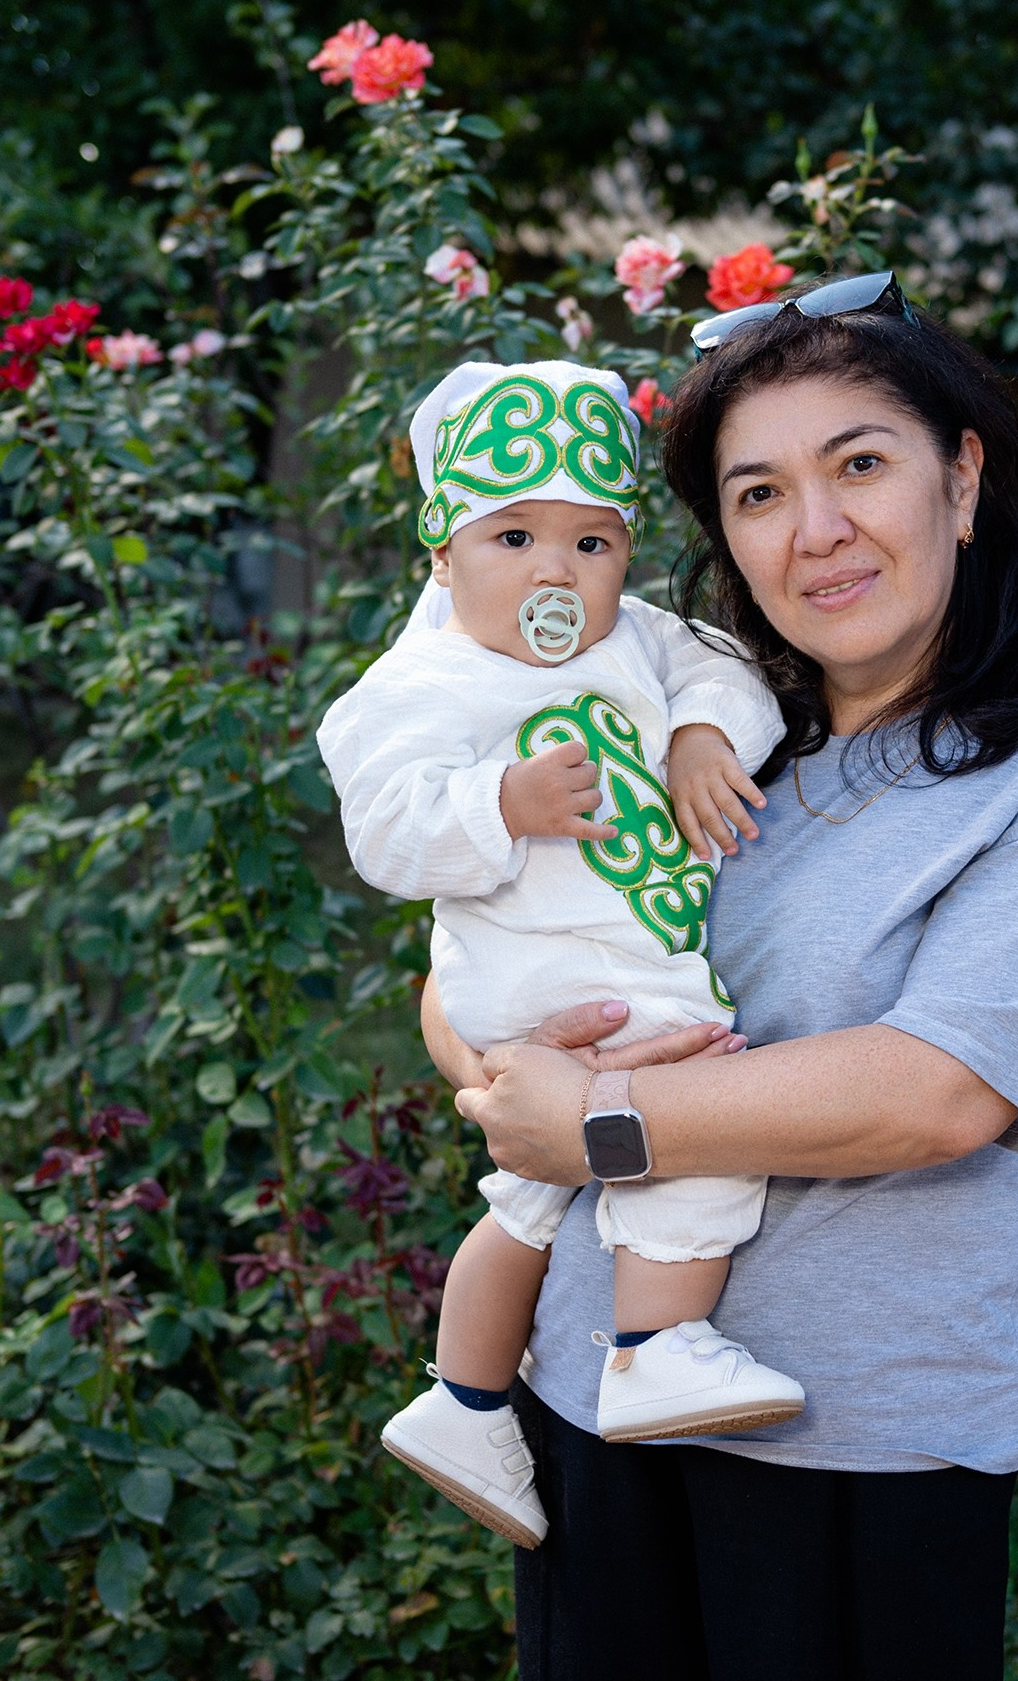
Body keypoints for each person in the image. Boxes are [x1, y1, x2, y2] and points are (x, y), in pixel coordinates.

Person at [422, 277, 1018, 1679]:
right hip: (591, 1393)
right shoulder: (684, 726)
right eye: (758, 493)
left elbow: (938, 1092)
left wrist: (592, 1116)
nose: (815, 530)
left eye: (860, 464)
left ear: (962, 472)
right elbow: (464, 968)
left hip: (861, 1435)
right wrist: (502, 1071)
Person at [316, 359, 806, 1553]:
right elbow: (383, 825)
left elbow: (722, 665)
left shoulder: (641, 636)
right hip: (541, 969)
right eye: (516, 536)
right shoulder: (422, 681)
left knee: (533, 1192)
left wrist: (698, 733)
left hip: (609, 956)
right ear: (443, 553)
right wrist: (499, 801)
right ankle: (654, 1347)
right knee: (690, 1113)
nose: (555, 571)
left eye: (592, 544)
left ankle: (466, 1399)